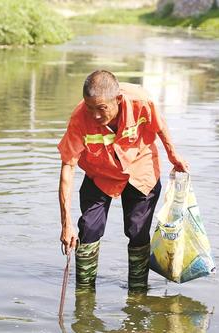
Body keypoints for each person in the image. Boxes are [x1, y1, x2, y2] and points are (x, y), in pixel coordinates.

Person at [58, 70, 189, 291]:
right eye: (90, 108)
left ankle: (138, 293)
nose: (95, 116)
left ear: (118, 100)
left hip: (140, 169)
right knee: (88, 228)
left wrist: (173, 156)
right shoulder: (80, 117)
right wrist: (66, 224)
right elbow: (68, 167)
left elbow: (160, 127)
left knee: (138, 231)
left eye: (101, 109)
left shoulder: (141, 101)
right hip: (99, 173)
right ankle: (84, 296)